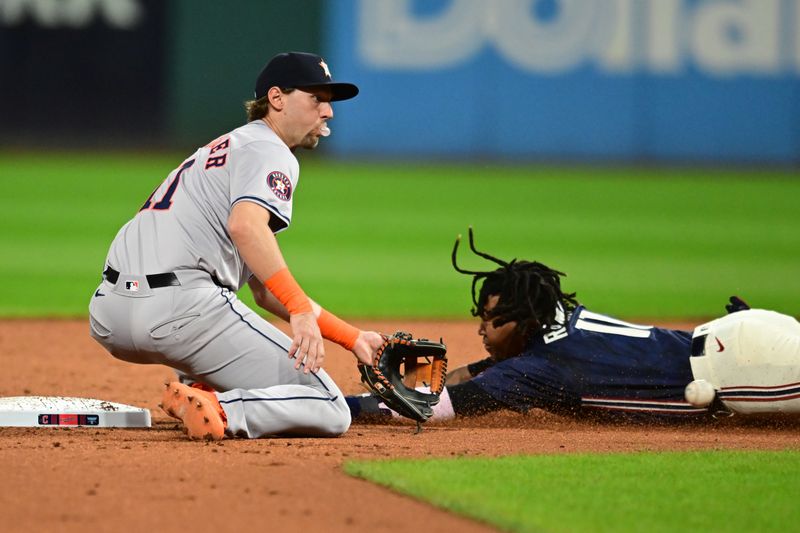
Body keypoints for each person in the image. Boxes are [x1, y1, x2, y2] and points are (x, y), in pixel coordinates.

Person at [89, 52, 384, 440]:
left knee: (224, 315)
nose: (328, 112)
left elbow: (263, 289)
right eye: (317, 99)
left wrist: (353, 338)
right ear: (277, 99)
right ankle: (219, 407)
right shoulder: (270, 151)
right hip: (180, 315)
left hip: (109, 313)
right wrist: (298, 309)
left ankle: (199, 387)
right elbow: (245, 227)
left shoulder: (224, 149)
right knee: (327, 407)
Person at [347, 229, 800, 422]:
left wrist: (345, 408)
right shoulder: (552, 329)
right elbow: (475, 373)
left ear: (524, 321)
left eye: (492, 320)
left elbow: (444, 404)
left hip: (742, 368)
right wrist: (405, 382)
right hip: (740, 344)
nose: (483, 330)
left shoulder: (541, 369)